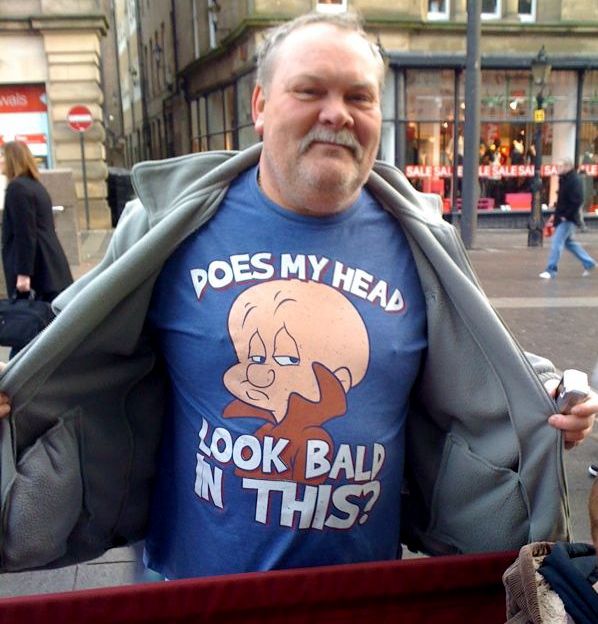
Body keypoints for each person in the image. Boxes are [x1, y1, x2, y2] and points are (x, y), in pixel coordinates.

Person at [0, 12, 596, 580]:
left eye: (359, 97)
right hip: (188, 588)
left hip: (362, 594)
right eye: (310, 91)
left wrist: (544, 397)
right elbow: (76, 345)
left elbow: (476, 362)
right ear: (260, 106)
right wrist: (16, 389)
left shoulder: (422, 241)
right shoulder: (167, 226)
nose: (336, 113)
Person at [1, 141, 73, 303]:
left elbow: (25, 232)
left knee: (30, 316)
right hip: (50, 268)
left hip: (38, 273)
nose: (0, 160)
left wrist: (23, 273)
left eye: (3, 155)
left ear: (12, 159)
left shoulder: (17, 188)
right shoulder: (35, 186)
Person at [539, 158, 596, 279]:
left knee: (556, 242)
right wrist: (556, 214)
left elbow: (577, 200)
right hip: (564, 217)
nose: (557, 169)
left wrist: (565, 215)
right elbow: (562, 201)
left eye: (560, 166)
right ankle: (589, 262)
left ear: (567, 167)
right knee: (569, 243)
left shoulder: (574, 180)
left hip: (568, 218)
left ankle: (551, 270)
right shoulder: (564, 179)